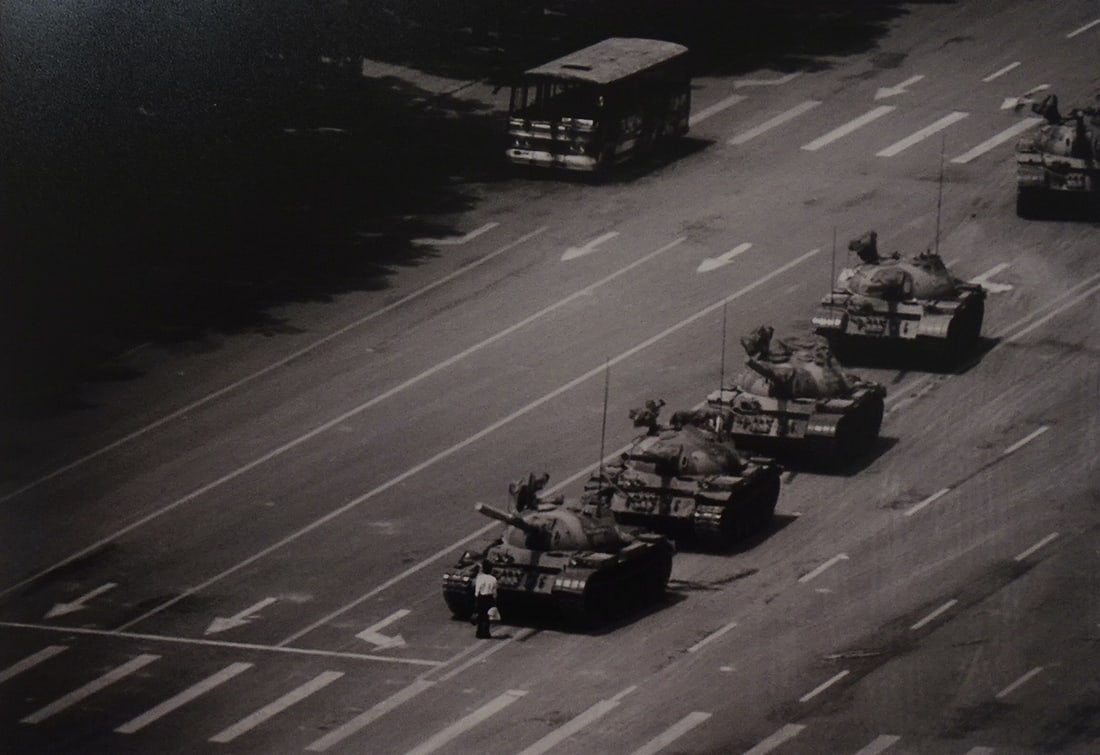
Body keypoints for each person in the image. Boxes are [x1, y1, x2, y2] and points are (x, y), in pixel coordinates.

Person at [473, 562, 499, 639]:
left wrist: (477, 598)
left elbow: (477, 589)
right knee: (488, 616)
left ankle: (479, 632)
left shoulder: (480, 578)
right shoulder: (493, 579)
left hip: (481, 597)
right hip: (489, 597)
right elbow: (495, 591)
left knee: (480, 615)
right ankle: (486, 633)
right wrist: (494, 601)